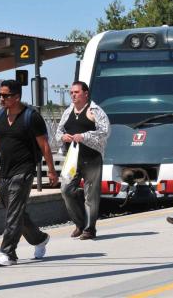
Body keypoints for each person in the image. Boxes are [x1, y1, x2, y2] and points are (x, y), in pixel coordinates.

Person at [0, 80, 58, 267]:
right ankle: (40, 239)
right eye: (0, 95)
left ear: (17, 97)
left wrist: (51, 170)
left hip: (24, 171)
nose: (1, 98)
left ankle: (8, 253)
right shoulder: (0, 115)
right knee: (15, 212)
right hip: (5, 171)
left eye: (5, 95)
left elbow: (44, 145)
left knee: (13, 214)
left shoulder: (31, 117)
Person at [55, 81, 110, 240]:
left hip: (92, 158)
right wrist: (63, 137)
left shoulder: (95, 110)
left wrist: (84, 136)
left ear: (85, 93)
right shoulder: (68, 111)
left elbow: (105, 131)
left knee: (91, 195)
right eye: (71, 92)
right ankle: (80, 223)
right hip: (72, 158)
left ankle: (89, 229)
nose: (73, 95)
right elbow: (58, 132)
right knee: (66, 189)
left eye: (76, 92)